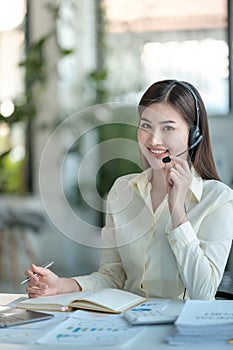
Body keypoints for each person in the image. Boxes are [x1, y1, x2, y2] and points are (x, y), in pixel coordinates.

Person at [24, 79, 233, 300]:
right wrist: (63, 285)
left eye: (168, 128)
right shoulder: (122, 190)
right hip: (127, 324)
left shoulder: (218, 199)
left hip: (180, 329)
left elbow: (203, 293)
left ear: (193, 135)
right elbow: (112, 276)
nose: (153, 140)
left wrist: (177, 212)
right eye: (146, 125)